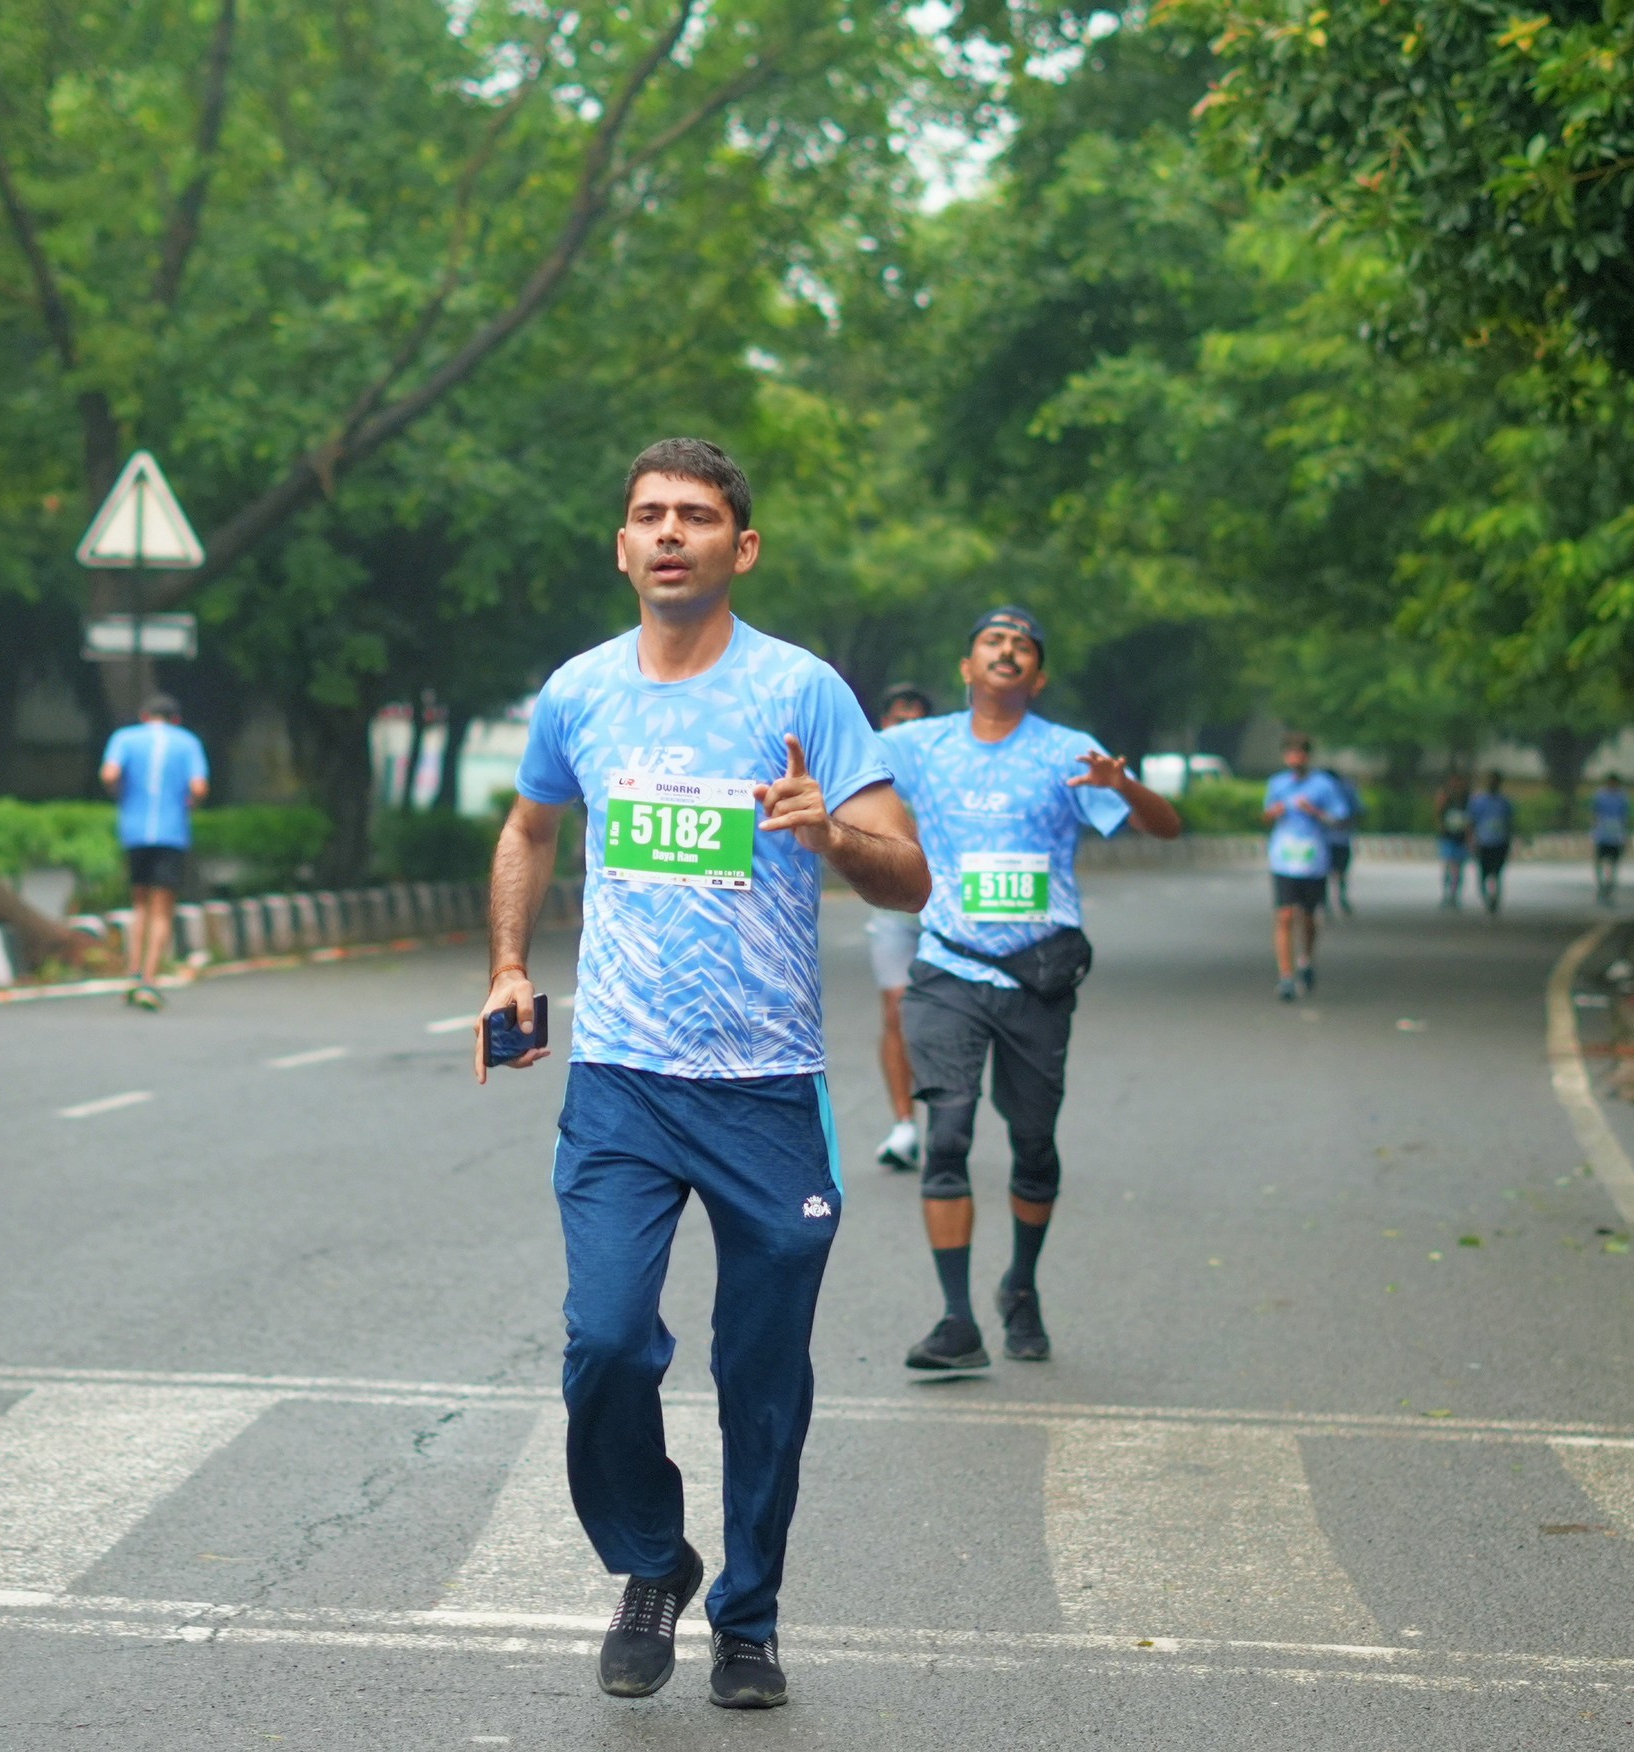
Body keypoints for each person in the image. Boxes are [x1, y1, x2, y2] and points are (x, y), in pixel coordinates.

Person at [477, 439, 928, 1712]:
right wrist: (508, 965)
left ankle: (749, 1620)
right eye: (649, 515)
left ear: (744, 546)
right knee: (608, 1341)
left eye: (697, 515)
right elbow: (529, 826)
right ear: (622, 547)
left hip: (765, 1086)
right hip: (621, 1077)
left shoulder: (803, 692)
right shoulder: (578, 692)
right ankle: (652, 1562)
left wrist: (831, 832)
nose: (670, 532)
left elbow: (909, 875)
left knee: (760, 1375)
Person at [883, 608, 1181, 1373]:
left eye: (1022, 646)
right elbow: (836, 767)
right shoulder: (917, 745)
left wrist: (1125, 786)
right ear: (967, 666)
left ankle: (1020, 1284)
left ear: (1038, 678)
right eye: (993, 641)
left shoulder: (1069, 752)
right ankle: (956, 1321)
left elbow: (1166, 827)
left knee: (1034, 1144)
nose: (1007, 651)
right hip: (948, 967)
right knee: (947, 1135)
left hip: (1036, 975)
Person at [100, 693, 210, 1010]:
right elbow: (199, 787)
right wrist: (190, 804)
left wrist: (120, 794)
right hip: (171, 832)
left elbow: (109, 774)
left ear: (144, 716)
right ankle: (149, 980)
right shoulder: (188, 742)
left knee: (139, 904)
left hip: (134, 831)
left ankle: (132, 974)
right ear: (176, 719)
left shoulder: (124, 738)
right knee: (162, 910)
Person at [867, 684, 936, 1170]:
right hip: (894, 912)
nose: (907, 725)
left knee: (947, 1018)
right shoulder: (864, 766)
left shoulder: (945, 765)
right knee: (897, 1009)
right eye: (898, 717)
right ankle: (904, 1125)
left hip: (949, 909)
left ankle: (951, 1116)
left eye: (917, 718)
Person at [1263, 733, 1348, 1000]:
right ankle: (1286, 977)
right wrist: (1273, 813)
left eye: (1300, 754)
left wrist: (1315, 812)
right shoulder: (1277, 784)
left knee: (1308, 917)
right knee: (1285, 915)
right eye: (1291, 754)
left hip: (1313, 859)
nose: (1295, 759)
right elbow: (1266, 816)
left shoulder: (1324, 786)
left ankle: (1306, 960)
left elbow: (1340, 818)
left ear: (1307, 757)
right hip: (1284, 858)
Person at [1469, 769, 1516, 914]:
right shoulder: (1478, 802)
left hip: (1500, 842)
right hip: (1484, 842)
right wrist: (1471, 840)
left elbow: (1509, 823)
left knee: (1497, 873)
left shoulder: (1504, 802)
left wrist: (1509, 840)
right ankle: (1486, 897)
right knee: (1483, 874)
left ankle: (1494, 898)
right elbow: (1471, 822)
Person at [1323, 765, 1363, 915]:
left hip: (1325, 839)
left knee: (1325, 872)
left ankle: (1326, 902)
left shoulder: (1321, 789)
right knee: (1341, 871)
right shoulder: (1347, 787)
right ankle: (1341, 898)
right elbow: (1358, 810)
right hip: (1342, 838)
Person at [1590, 774, 1632, 905]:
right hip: (1602, 834)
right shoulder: (1600, 796)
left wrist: (1626, 835)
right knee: (1599, 862)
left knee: (1613, 863)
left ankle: (1609, 885)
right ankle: (1601, 884)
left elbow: (1626, 816)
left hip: (1616, 835)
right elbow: (1594, 813)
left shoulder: (1622, 797)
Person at [1434, 769, 1473, 908]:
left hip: (1461, 838)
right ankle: (1446, 893)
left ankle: (1455, 895)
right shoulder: (1446, 797)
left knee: (1458, 868)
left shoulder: (1467, 799)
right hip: (1448, 837)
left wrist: (1470, 837)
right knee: (1448, 865)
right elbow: (1438, 814)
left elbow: (1471, 819)